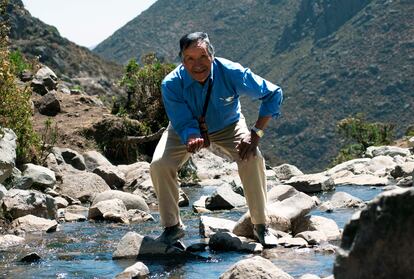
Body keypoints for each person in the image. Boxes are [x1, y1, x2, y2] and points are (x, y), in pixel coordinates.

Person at [150, 32, 283, 247]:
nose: (197, 65)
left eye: (202, 57)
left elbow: (273, 93)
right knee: (159, 165)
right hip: (184, 129)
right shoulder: (171, 84)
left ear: (212, 55)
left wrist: (255, 133)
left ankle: (261, 225)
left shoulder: (231, 71)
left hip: (228, 125)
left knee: (252, 158)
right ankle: (172, 228)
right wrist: (192, 135)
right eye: (190, 59)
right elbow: (182, 121)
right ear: (182, 61)